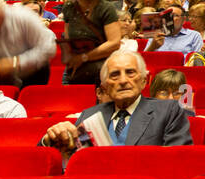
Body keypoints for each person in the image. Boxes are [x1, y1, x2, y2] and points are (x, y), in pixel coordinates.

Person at [41, 51, 192, 152]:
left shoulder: (168, 110)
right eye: (114, 75)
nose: (123, 80)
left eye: (130, 72)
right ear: (105, 85)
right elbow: (71, 160)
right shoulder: (90, 114)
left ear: (144, 80)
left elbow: (176, 161)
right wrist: (51, 141)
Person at [57, 0, 122, 85]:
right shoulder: (69, 7)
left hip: (101, 73)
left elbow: (114, 43)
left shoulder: (105, 8)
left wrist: (84, 57)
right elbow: (69, 40)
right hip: (74, 70)